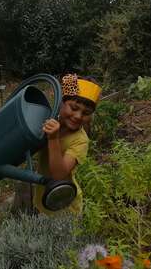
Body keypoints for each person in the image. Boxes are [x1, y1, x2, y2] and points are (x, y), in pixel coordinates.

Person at [32, 73, 101, 216]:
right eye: (74, 108)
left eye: (86, 113)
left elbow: (59, 174)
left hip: (65, 207)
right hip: (43, 198)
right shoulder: (49, 120)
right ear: (62, 103)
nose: (78, 116)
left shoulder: (80, 140)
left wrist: (53, 139)